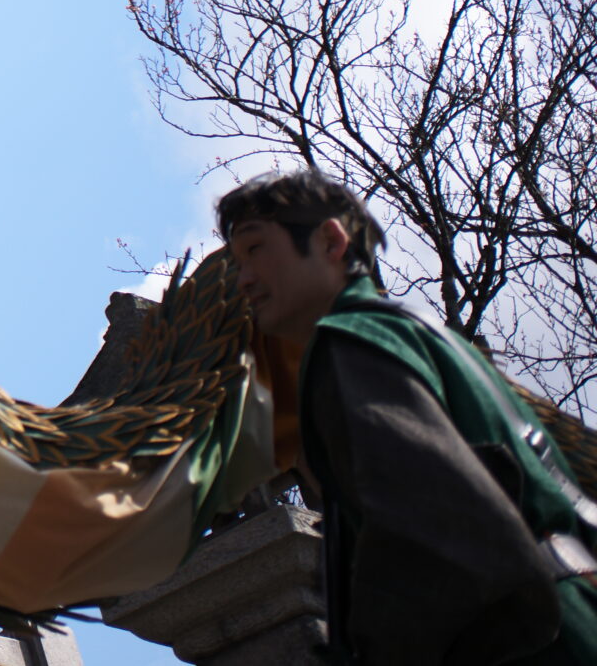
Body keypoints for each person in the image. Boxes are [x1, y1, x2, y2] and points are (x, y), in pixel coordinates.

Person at [220, 168, 597, 666]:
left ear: (331, 241)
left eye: (255, 250)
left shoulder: (350, 342)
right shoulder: (426, 338)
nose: (242, 278)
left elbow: (427, 519)